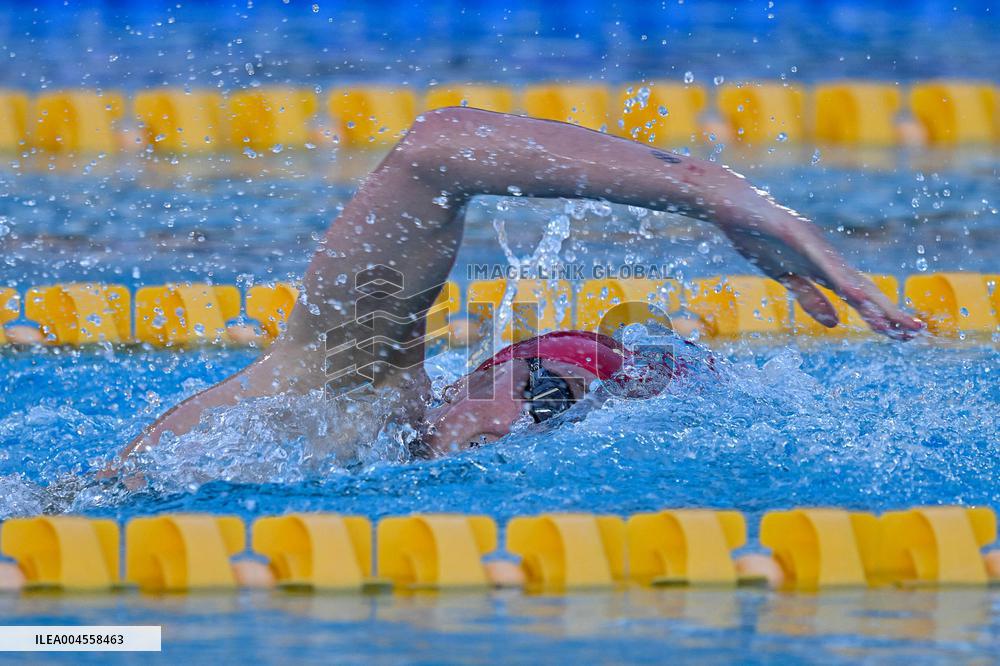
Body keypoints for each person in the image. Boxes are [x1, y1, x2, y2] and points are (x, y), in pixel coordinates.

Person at [117, 106, 923, 464]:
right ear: (478, 371)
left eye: (555, 421)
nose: (513, 425)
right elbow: (433, 150)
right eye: (539, 390)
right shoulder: (354, 387)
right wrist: (706, 190)